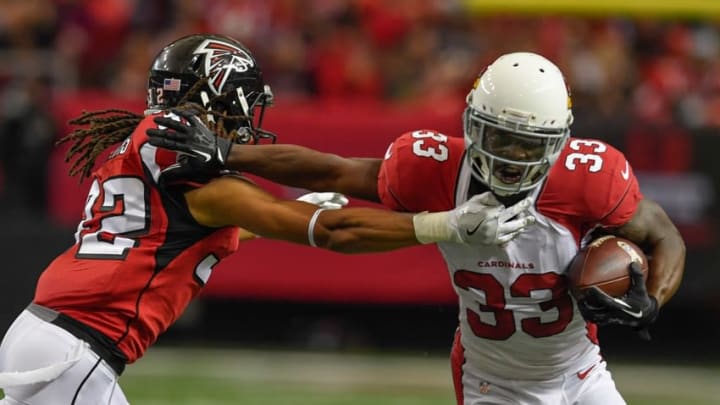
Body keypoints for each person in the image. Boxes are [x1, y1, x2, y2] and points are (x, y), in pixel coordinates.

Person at [0, 35, 534, 405]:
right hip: (74, 349)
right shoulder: (189, 168)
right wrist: (440, 225)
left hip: (48, 335)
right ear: (213, 94)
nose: (244, 120)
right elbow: (330, 233)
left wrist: (300, 208)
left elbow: (178, 231)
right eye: (240, 104)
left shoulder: (138, 150)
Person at [147, 51, 686, 404]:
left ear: (559, 143)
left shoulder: (588, 180)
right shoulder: (434, 168)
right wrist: (229, 152)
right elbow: (333, 169)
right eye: (499, 138)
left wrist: (653, 300)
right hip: (492, 381)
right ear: (472, 126)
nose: (512, 157)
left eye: (528, 145)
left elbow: (665, 234)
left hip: (581, 370)